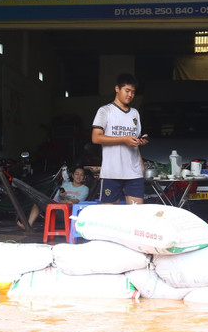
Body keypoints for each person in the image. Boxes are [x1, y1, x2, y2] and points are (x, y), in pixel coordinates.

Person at [92, 73, 147, 204]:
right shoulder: (105, 111)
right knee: (110, 213)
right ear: (117, 88)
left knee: (137, 213)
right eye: (127, 91)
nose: (130, 95)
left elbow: (134, 141)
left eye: (133, 92)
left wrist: (141, 163)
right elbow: (96, 137)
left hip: (134, 172)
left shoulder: (135, 113)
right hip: (112, 172)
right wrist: (124, 139)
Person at [19, 165, 90, 231]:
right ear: (73, 175)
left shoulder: (85, 189)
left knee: (69, 203)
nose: (79, 176)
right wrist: (61, 196)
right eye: (77, 174)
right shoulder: (65, 185)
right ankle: (28, 226)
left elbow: (77, 201)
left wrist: (67, 202)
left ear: (84, 177)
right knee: (37, 203)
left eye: (81, 175)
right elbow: (57, 198)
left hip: (69, 212)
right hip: (56, 208)